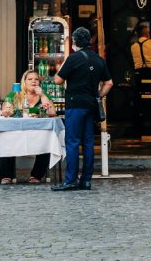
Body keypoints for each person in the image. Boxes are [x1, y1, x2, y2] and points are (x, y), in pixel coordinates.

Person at [52, 27, 113, 191]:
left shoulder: (73, 58)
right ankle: (86, 180)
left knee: (72, 141)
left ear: (75, 41)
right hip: (91, 105)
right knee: (88, 142)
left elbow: (58, 80)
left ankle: (71, 180)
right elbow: (109, 83)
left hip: (75, 104)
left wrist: (64, 64)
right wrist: (99, 95)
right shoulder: (99, 59)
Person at [0, 70, 55, 185]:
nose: (34, 81)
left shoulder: (43, 96)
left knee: (46, 141)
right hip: (17, 133)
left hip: (37, 133)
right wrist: (7, 111)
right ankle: (6, 175)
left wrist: (42, 95)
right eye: (30, 79)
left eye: (36, 79)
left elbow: (52, 112)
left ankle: (37, 174)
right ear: (24, 82)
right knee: (5, 140)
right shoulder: (15, 94)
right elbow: (5, 110)